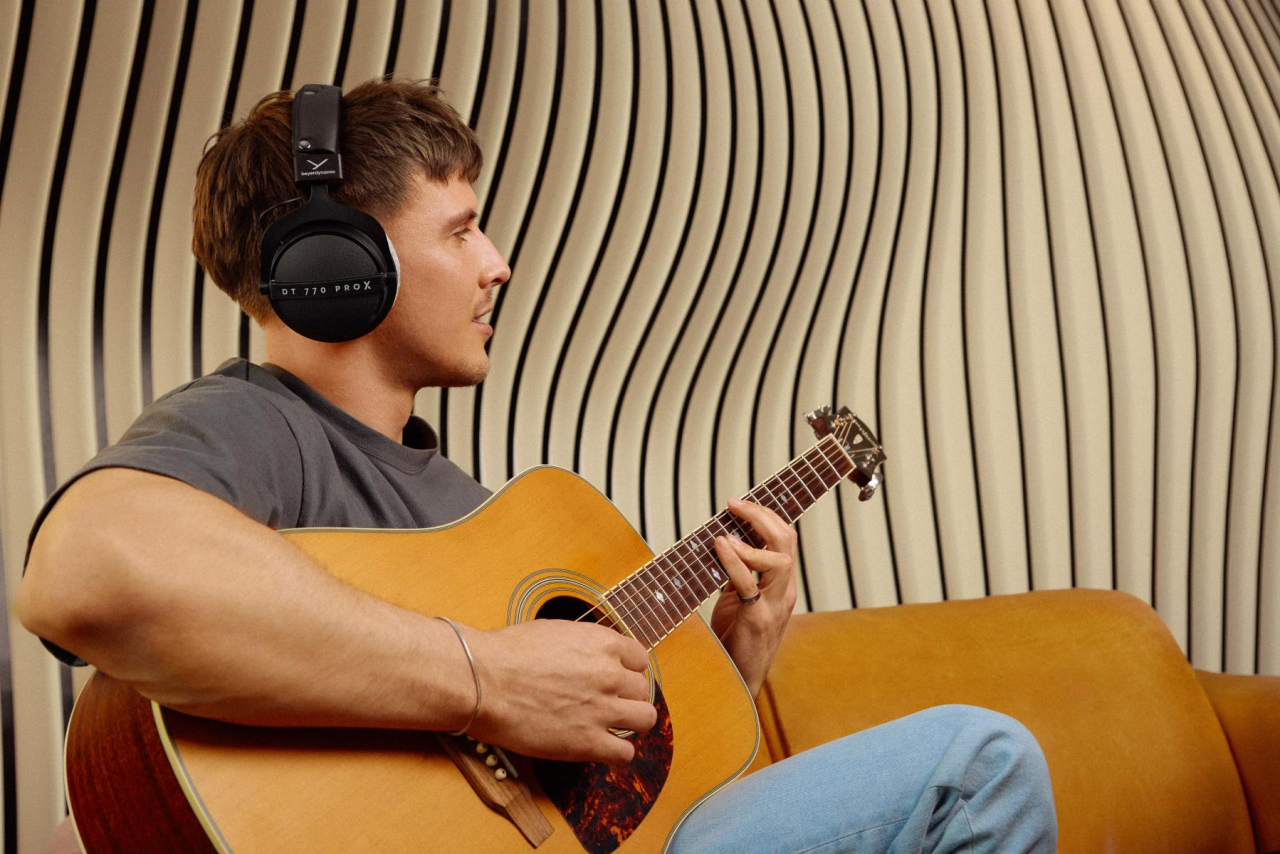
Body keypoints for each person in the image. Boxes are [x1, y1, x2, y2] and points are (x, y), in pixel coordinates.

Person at [18, 77, 1056, 854]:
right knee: (978, 764)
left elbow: (599, 809)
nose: (498, 263)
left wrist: (729, 665)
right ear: (335, 264)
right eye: (462, 229)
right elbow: (85, 572)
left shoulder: (476, 513)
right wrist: (484, 677)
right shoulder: (255, 426)